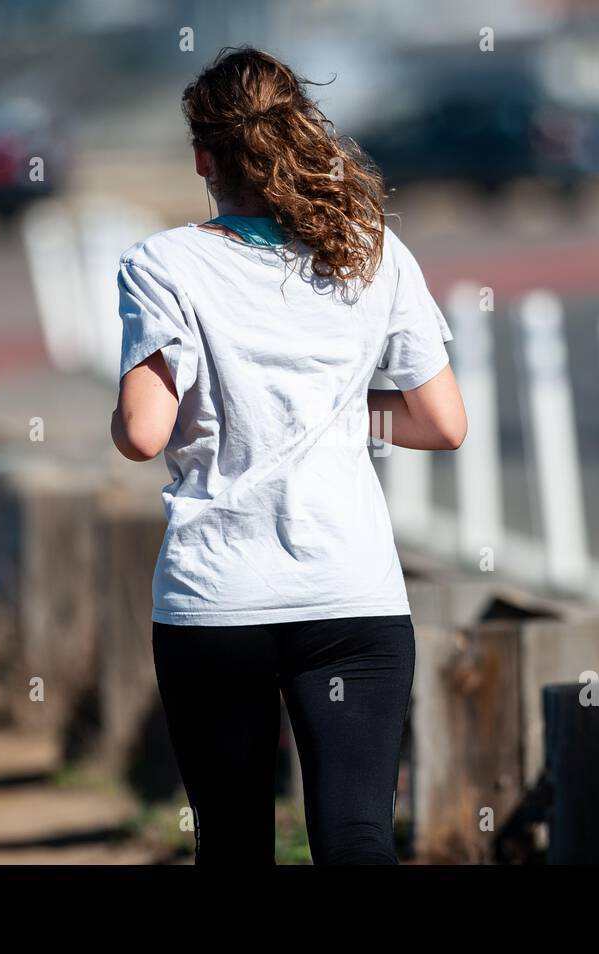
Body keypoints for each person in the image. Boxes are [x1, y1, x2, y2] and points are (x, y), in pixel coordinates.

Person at [110, 47, 467, 865]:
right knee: (358, 836)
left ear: (203, 155)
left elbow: (142, 433)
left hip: (218, 600)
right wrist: (338, 411)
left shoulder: (163, 263)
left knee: (234, 843)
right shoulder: (371, 248)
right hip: (353, 595)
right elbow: (442, 424)